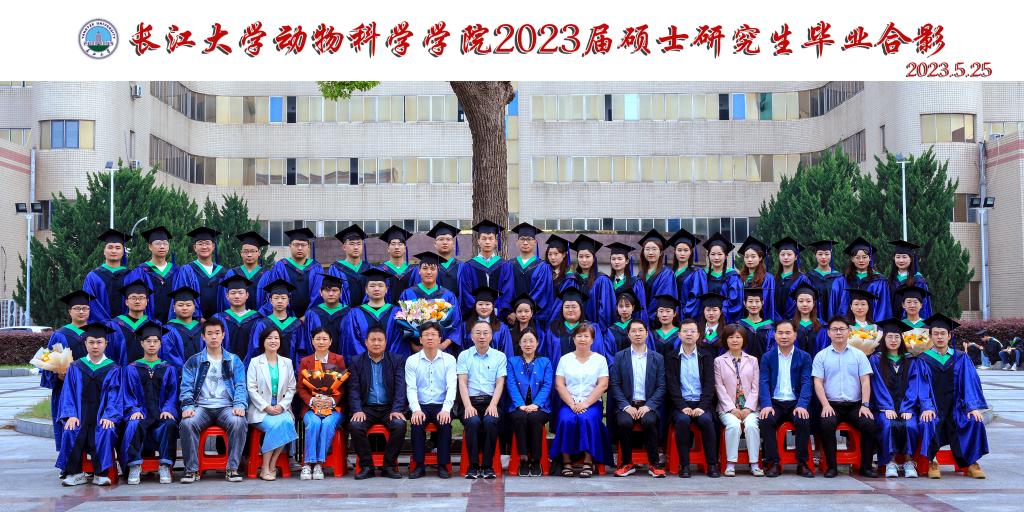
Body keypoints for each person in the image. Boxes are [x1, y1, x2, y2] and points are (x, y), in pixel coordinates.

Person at [918, 313, 989, 479]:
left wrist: (972, 407)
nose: (939, 337)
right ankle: (932, 461)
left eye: (943, 333)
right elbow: (921, 386)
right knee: (927, 422)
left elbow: (970, 383)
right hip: (934, 408)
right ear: (930, 336)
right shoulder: (923, 359)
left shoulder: (961, 358)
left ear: (949, 336)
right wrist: (926, 407)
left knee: (974, 421)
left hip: (957, 408)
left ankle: (971, 462)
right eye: (936, 334)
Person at [178, 318, 248, 484]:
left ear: (223, 335)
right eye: (209, 333)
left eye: (217, 333)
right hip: (201, 407)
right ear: (203, 337)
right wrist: (187, 406)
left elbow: (240, 385)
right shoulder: (193, 361)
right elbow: (186, 387)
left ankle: (232, 469)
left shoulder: (234, 360)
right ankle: (192, 470)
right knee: (187, 423)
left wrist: (239, 405)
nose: (214, 337)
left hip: (226, 407)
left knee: (239, 421)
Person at [55, 322, 122, 487]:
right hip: (80, 415)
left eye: (99, 342)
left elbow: (115, 396)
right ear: (85, 343)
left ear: (106, 344)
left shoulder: (113, 368)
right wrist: (70, 415)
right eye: (91, 342)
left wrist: (110, 416)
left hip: (102, 416)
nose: (95, 346)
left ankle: (101, 474)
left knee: (106, 430)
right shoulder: (75, 367)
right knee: (71, 429)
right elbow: (68, 393)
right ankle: (75, 473)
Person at [812, 315, 878, 478]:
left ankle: (866, 467)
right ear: (828, 333)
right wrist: (825, 405)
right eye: (834, 329)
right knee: (826, 424)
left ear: (849, 332)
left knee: (869, 424)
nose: (838, 332)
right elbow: (818, 382)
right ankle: (832, 467)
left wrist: (865, 405)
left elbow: (865, 381)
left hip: (855, 405)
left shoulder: (859, 355)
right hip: (831, 404)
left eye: (842, 329)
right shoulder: (821, 356)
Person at [551, 322, 611, 478]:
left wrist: (585, 403)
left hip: (592, 403)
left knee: (587, 419)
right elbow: (559, 384)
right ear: (573, 339)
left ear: (592, 340)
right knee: (566, 420)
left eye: (586, 336)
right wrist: (572, 404)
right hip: (569, 402)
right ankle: (566, 462)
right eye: (579, 336)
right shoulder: (565, 359)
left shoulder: (600, 360)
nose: (582, 339)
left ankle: (588, 461)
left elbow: (603, 384)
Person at [121, 320, 178, 485]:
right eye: (148, 341)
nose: (152, 344)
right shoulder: (131, 368)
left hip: (160, 414)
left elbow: (173, 394)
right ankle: (134, 465)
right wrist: (134, 410)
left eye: (155, 341)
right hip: (142, 414)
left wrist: (168, 409)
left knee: (170, 424)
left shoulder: (168, 368)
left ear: (160, 344)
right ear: (142, 343)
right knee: (133, 423)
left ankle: (165, 465)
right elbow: (127, 394)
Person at [347, 327, 408, 480]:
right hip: (366, 408)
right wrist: (357, 410)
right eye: (372, 340)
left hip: (389, 408)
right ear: (366, 342)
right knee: (355, 425)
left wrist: (397, 409)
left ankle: (389, 466)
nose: (376, 343)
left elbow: (401, 387)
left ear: (385, 343)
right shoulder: (356, 361)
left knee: (399, 425)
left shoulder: (396, 360)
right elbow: (353, 389)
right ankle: (367, 466)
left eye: (380, 340)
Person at [609, 318, 667, 478]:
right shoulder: (620, 357)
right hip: (627, 405)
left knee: (649, 421)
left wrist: (649, 406)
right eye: (633, 331)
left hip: (648, 405)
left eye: (641, 330)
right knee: (624, 422)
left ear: (647, 334)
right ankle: (627, 463)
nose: (637, 334)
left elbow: (661, 386)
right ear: (628, 335)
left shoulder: (657, 358)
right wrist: (626, 406)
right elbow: (615, 384)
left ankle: (654, 464)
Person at [758, 320, 815, 478]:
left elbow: (806, 383)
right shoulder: (767, 357)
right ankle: (773, 463)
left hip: (795, 403)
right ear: (775, 335)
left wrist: (802, 405)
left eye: (788, 333)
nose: (784, 336)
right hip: (775, 403)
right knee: (766, 420)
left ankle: (802, 463)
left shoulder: (804, 357)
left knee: (803, 420)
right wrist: (766, 404)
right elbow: (764, 382)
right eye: (780, 333)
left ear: (795, 335)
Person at [870, 318, 926, 479]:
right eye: (889, 337)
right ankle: (890, 462)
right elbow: (877, 385)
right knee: (887, 425)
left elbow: (914, 385)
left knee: (911, 425)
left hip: (907, 406)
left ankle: (909, 461)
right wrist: (886, 407)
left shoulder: (911, 360)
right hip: (884, 407)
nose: (893, 340)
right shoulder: (876, 359)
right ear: (883, 339)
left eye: (897, 337)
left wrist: (907, 407)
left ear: (902, 339)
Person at [665, 318, 720, 478]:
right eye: (685, 331)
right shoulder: (671, 357)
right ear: (679, 334)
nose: (689, 334)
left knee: (706, 420)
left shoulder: (706, 356)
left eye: (692, 331)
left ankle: (712, 464)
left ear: (698, 335)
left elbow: (709, 385)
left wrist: (702, 407)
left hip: (702, 403)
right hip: (680, 404)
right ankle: (685, 465)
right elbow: (672, 386)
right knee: (682, 421)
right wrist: (682, 406)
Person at [246, 326, 298, 481]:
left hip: (281, 408)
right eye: (269, 338)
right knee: (276, 426)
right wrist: (266, 407)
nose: (273, 341)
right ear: (263, 342)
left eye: (276, 338)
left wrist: (281, 406)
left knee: (287, 422)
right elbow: (251, 388)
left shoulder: (287, 362)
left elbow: (291, 388)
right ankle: (265, 467)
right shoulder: (255, 362)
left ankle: (271, 464)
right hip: (261, 410)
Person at [41, 290, 92, 448]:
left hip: (91, 387)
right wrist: (58, 375)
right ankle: (68, 459)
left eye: (85, 308)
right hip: (65, 389)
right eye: (77, 308)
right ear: (70, 311)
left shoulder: (96, 333)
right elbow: (48, 361)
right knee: (68, 425)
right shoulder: (59, 335)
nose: (81, 311)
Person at [457, 320, 508, 479]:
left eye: (486, 333)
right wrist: (467, 406)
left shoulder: (499, 356)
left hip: (491, 401)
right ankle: (472, 466)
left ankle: (487, 466)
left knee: (490, 421)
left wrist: (493, 405)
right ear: (471, 336)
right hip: (470, 401)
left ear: (491, 336)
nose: (482, 336)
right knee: (472, 422)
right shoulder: (464, 355)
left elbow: (500, 383)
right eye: (478, 333)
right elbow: (462, 383)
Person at [406, 323, 458, 479]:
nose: (430, 338)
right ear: (420, 339)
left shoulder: (449, 360)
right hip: (421, 404)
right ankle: (419, 465)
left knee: (444, 424)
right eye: (426, 335)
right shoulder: (412, 360)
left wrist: (446, 409)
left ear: (440, 338)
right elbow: (411, 388)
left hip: (441, 404)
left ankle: (443, 465)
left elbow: (451, 387)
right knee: (417, 424)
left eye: (433, 334)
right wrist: (416, 409)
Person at [297, 327, 347, 480]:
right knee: (313, 423)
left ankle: (318, 463)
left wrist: (331, 401)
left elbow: (343, 386)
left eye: (324, 339)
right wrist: (313, 401)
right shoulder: (306, 361)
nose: (321, 342)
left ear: (330, 341)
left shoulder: (338, 359)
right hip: (311, 408)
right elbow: (301, 388)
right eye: (317, 339)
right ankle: (308, 464)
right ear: (312, 341)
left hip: (333, 408)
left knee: (327, 424)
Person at [714, 324, 763, 477]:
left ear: (744, 339)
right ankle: (730, 464)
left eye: (738, 337)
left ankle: (754, 464)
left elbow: (756, 386)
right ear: (725, 340)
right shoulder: (719, 361)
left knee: (752, 426)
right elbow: (719, 387)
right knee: (734, 425)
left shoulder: (753, 360)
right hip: (727, 408)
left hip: (750, 408)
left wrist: (748, 408)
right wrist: (731, 408)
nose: (735, 340)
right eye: (731, 337)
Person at [506, 329, 554, 477]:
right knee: (520, 417)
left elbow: (547, 385)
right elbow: (511, 384)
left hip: (540, 407)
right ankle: (523, 459)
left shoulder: (545, 362)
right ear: (519, 344)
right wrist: (520, 405)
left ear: (537, 343)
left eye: (531, 341)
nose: (528, 344)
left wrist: (536, 404)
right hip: (517, 406)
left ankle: (536, 460)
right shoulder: (512, 362)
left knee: (534, 418)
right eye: (524, 341)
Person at [399, 251, 461, 353]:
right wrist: (414, 347)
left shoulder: (448, 296)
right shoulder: (408, 294)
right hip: (416, 352)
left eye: (433, 268)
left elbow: (456, 324)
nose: (429, 272)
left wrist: (442, 346)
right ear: (419, 271)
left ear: (438, 270)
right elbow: (401, 325)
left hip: (442, 351)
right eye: (425, 268)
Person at [246, 279, 311, 367]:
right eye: (276, 298)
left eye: (283, 298)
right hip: (266, 369)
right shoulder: (262, 324)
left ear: (288, 301)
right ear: (270, 300)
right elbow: (256, 348)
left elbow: (301, 350)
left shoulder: (296, 324)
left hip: (290, 369)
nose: (280, 301)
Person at [340, 268, 403, 358]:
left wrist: (388, 360)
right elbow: (352, 342)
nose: (376, 289)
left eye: (380, 285)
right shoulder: (354, 314)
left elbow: (399, 342)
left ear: (386, 289)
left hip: (392, 363)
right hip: (362, 364)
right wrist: (366, 361)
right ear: (366, 289)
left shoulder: (397, 313)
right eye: (372, 286)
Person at [263, 227, 324, 317]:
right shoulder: (281, 266)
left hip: (310, 318)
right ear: (290, 246)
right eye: (296, 245)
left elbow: (318, 295)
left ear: (308, 247)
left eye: (303, 245)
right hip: (286, 318)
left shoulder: (316, 268)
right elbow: (275, 292)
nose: (300, 248)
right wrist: (289, 317)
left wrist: (307, 316)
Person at [501, 222, 554, 326]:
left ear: (535, 242)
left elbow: (542, 293)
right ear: (517, 242)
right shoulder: (509, 265)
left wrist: (525, 312)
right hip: (512, 319)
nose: (525, 242)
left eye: (529, 239)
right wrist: (510, 312)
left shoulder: (543, 267)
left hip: (534, 319)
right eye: (522, 239)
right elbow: (505, 291)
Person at [829, 237, 890, 324]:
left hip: (871, 327)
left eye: (864, 257)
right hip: (845, 327)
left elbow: (883, 307)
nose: (861, 260)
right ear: (852, 259)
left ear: (870, 258)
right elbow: (834, 306)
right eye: (857, 257)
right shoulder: (841, 281)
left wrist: (876, 327)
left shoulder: (880, 281)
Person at [173, 227, 229, 321]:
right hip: (195, 322)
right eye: (200, 244)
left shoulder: (223, 272)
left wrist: (221, 319)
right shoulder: (187, 270)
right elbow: (183, 296)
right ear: (195, 247)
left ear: (213, 246)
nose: (204, 247)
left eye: (207, 243)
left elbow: (227, 298)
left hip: (219, 323)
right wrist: (198, 318)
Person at [457, 219, 510, 314]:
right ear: (478, 241)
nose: (487, 242)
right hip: (475, 315)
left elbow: (507, 290)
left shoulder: (504, 265)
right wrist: (479, 309)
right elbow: (466, 291)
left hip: (498, 314)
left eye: (491, 238)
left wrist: (497, 309)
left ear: (496, 241)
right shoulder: (469, 266)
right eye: (484, 238)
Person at [126, 226, 177, 324]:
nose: (162, 246)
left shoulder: (176, 271)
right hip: (148, 325)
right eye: (158, 243)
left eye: (165, 243)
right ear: (150, 246)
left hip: (173, 324)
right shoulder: (140, 272)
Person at [567, 234, 616, 329]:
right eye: (581, 256)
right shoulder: (572, 280)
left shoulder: (602, 280)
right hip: (575, 330)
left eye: (587, 256)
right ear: (577, 258)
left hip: (596, 329)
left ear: (594, 258)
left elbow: (605, 310)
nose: (584, 260)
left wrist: (599, 331)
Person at [82, 229, 131, 323]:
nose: (114, 251)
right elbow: (90, 303)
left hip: (126, 327)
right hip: (99, 327)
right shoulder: (93, 276)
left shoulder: (131, 275)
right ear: (104, 251)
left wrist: (123, 322)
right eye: (110, 247)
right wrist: (106, 323)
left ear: (123, 252)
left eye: (118, 248)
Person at [106, 279, 156, 367]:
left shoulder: (154, 325)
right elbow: (109, 353)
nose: (137, 301)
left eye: (141, 298)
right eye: (133, 298)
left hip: (148, 373)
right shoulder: (114, 325)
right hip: (121, 372)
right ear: (126, 302)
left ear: (147, 302)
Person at [212, 275, 263, 359]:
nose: (237, 296)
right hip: (225, 363)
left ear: (247, 295)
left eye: (240, 293)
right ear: (227, 296)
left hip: (252, 364)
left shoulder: (257, 319)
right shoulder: (218, 319)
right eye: (233, 293)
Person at [223, 231, 271, 311]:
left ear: (259, 253)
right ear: (241, 253)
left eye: (253, 251)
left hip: (259, 317)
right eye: (245, 251)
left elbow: (270, 299)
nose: (249, 255)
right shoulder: (232, 273)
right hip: (236, 316)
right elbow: (225, 298)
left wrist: (259, 315)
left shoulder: (267, 275)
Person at [667, 229, 708, 321]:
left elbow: (697, 298)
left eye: (686, 250)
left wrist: (683, 312)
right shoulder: (669, 273)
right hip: (669, 316)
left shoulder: (697, 273)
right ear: (675, 251)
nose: (682, 253)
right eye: (679, 250)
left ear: (690, 252)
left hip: (688, 316)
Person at [304, 275, 351, 354]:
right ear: (320, 292)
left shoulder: (349, 313)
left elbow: (351, 341)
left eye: (334, 290)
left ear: (341, 293)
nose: (331, 294)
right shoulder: (312, 313)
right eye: (327, 290)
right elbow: (308, 340)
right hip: (318, 359)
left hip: (342, 359)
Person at [463, 286, 515, 358]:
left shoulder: (502, 328)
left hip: (496, 364)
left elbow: (508, 352)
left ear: (493, 306)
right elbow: (462, 349)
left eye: (487, 304)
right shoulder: (466, 326)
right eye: (480, 304)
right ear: (475, 306)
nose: (484, 307)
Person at [636, 230, 676, 324]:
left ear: (661, 252)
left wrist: (648, 316)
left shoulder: (667, 274)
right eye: (647, 249)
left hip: (657, 320)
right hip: (640, 320)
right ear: (643, 252)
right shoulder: (640, 274)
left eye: (654, 249)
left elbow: (664, 298)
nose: (650, 252)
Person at [606, 242, 650, 329]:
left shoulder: (635, 282)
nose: (616, 262)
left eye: (620, 259)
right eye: (613, 259)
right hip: (611, 326)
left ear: (627, 261)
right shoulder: (607, 282)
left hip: (632, 327)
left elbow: (641, 309)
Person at [702, 233, 743, 323]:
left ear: (726, 256)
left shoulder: (732, 276)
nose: (716, 257)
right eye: (713, 254)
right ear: (708, 256)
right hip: (706, 319)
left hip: (726, 320)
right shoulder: (702, 275)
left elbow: (735, 301)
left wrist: (719, 314)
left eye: (720, 254)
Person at [160, 286, 203, 370]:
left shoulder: (202, 328)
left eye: (188, 305)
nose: (184, 308)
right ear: (174, 308)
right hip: (179, 374)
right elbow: (168, 355)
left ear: (194, 308)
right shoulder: (167, 330)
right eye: (180, 305)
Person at [328, 224, 372, 306]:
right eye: (352, 244)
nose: (356, 247)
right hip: (344, 311)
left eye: (359, 244)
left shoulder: (369, 268)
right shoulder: (336, 269)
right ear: (344, 247)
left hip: (366, 312)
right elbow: (332, 294)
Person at [887, 240, 933, 320]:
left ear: (911, 259)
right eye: (898, 257)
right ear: (894, 258)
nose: (901, 260)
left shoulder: (918, 281)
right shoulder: (890, 280)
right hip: (893, 323)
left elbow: (923, 306)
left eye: (904, 257)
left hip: (911, 322)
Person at [736, 236, 777, 323]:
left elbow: (769, 301)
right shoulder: (739, 278)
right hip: (743, 319)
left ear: (760, 258)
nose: (749, 259)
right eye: (746, 257)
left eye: (753, 256)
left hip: (762, 320)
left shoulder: (768, 278)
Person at [771, 237, 812, 322]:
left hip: (795, 322)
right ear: (779, 256)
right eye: (782, 254)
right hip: (775, 322)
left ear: (796, 257)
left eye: (789, 254)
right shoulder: (773, 279)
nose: (785, 257)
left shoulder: (802, 279)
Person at [377, 225, 419, 305]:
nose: (396, 247)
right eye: (393, 244)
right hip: (387, 311)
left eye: (400, 244)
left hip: (410, 311)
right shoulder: (380, 270)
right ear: (388, 248)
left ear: (405, 248)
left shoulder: (413, 271)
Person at [805, 240, 842, 321]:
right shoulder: (809, 277)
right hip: (814, 320)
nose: (823, 257)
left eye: (827, 254)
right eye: (820, 254)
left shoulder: (839, 277)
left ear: (831, 255)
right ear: (815, 255)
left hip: (835, 320)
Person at [424, 221, 462, 295]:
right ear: (435, 244)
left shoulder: (462, 267)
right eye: (441, 239)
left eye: (448, 239)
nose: (445, 242)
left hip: (457, 302)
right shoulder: (427, 267)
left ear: (453, 244)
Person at [738, 286, 775, 360]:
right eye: (750, 301)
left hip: (765, 364)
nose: (754, 305)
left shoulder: (770, 326)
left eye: (757, 301)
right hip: (744, 365)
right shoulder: (739, 325)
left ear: (762, 302)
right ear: (744, 303)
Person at [792, 286, 828, 355]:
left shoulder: (822, 326)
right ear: (796, 303)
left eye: (808, 301)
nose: (805, 304)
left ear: (813, 303)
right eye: (801, 301)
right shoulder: (790, 325)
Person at [544, 234, 572, 300]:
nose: (552, 257)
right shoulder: (544, 272)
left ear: (564, 254)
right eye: (550, 254)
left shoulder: (568, 277)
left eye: (556, 254)